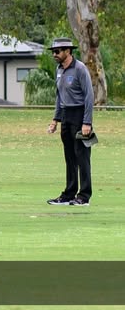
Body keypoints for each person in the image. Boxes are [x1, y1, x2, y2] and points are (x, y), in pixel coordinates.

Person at [46, 37, 94, 206]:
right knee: (70, 157)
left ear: (68, 51)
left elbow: (89, 96)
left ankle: (84, 196)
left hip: (80, 115)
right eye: (53, 51)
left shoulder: (80, 68)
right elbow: (59, 96)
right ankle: (69, 194)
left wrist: (87, 122)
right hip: (66, 115)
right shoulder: (59, 69)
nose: (54, 54)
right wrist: (55, 119)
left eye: (57, 51)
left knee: (82, 157)